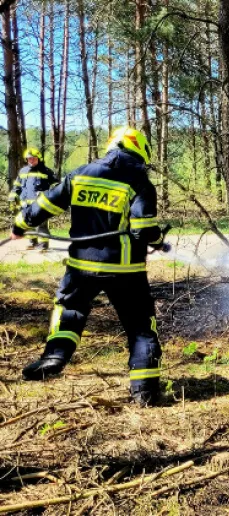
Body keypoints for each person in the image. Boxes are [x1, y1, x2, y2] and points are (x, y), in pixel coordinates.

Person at [9, 127, 168, 406]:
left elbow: (45, 204)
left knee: (70, 309)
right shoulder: (138, 180)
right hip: (126, 271)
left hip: (81, 267)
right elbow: (143, 229)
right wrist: (158, 240)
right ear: (139, 149)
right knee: (140, 327)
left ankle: (55, 355)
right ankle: (145, 393)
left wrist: (20, 225)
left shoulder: (81, 173)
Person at [8, 148, 58, 251]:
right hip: (25, 204)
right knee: (28, 223)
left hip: (40, 204)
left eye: (34, 158)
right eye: (29, 159)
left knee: (41, 224)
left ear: (39, 159)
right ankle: (33, 242)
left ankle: (44, 244)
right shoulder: (22, 171)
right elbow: (17, 186)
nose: (31, 160)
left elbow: (56, 185)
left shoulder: (46, 171)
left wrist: (48, 194)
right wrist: (12, 197)